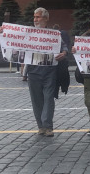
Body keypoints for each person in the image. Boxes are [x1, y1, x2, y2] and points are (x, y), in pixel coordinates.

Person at [20, 8, 68, 136]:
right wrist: (3, 32)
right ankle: (40, 126)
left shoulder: (54, 34)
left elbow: (63, 47)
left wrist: (63, 53)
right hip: (33, 71)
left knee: (48, 98)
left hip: (50, 71)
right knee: (36, 100)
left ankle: (47, 126)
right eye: (34, 17)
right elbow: (12, 40)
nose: (35, 19)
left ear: (46, 18)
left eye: (38, 17)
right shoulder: (27, 33)